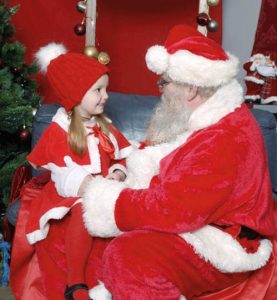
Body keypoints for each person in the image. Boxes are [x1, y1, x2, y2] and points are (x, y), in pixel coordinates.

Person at [50, 25, 276, 299]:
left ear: (191, 88)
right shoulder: (201, 117)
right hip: (198, 222)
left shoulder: (227, 137)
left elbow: (175, 209)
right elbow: (158, 154)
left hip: (222, 244)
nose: (160, 90)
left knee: (127, 255)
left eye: (164, 82)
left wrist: (104, 198)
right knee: (86, 239)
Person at [24, 43, 133, 300]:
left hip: (105, 189)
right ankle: (75, 283)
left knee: (128, 209)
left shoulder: (105, 125)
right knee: (81, 209)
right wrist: (88, 187)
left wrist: (117, 173)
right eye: (98, 90)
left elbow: (122, 157)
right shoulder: (60, 129)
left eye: (105, 88)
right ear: (76, 93)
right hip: (70, 193)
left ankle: (122, 275)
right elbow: (59, 170)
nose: (105, 95)